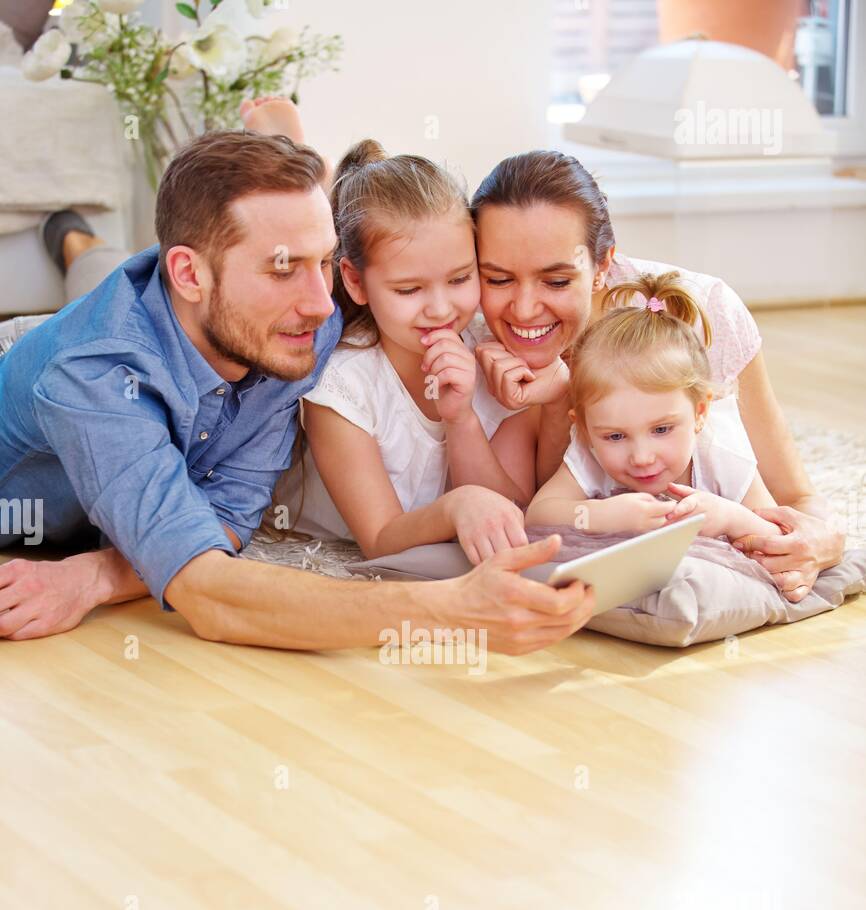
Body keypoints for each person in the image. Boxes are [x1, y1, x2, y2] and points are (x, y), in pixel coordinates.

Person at [0, 128, 593, 651]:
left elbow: (227, 517)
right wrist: (453, 611)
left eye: (325, 263)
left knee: (103, 271)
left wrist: (101, 574)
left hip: (137, 426)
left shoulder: (293, 328)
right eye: (282, 269)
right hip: (35, 477)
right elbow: (211, 594)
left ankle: (77, 244)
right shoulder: (96, 378)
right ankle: (80, 249)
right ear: (188, 273)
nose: (318, 307)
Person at [470, 151, 845, 602]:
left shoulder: (706, 314)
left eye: (555, 281)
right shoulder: (461, 328)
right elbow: (533, 514)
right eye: (498, 279)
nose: (525, 309)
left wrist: (823, 542)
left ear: (603, 264)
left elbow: (794, 498)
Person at [279, 139, 531, 565]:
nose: (440, 308)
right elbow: (378, 539)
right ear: (356, 282)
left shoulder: (492, 347)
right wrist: (458, 506)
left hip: (440, 563)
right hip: (322, 550)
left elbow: (513, 516)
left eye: (459, 278)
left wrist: (461, 418)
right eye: (409, 289)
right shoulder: (342, 384)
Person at [526, 270, 791, 559]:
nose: (642, 457)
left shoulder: (720, 454)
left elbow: (777, 535)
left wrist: (730, 517)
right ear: (585, 429)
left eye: (662, 430)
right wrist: (599, 515)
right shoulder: (590, 451)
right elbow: (538, 515)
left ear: (700, 412)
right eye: (615, 436)